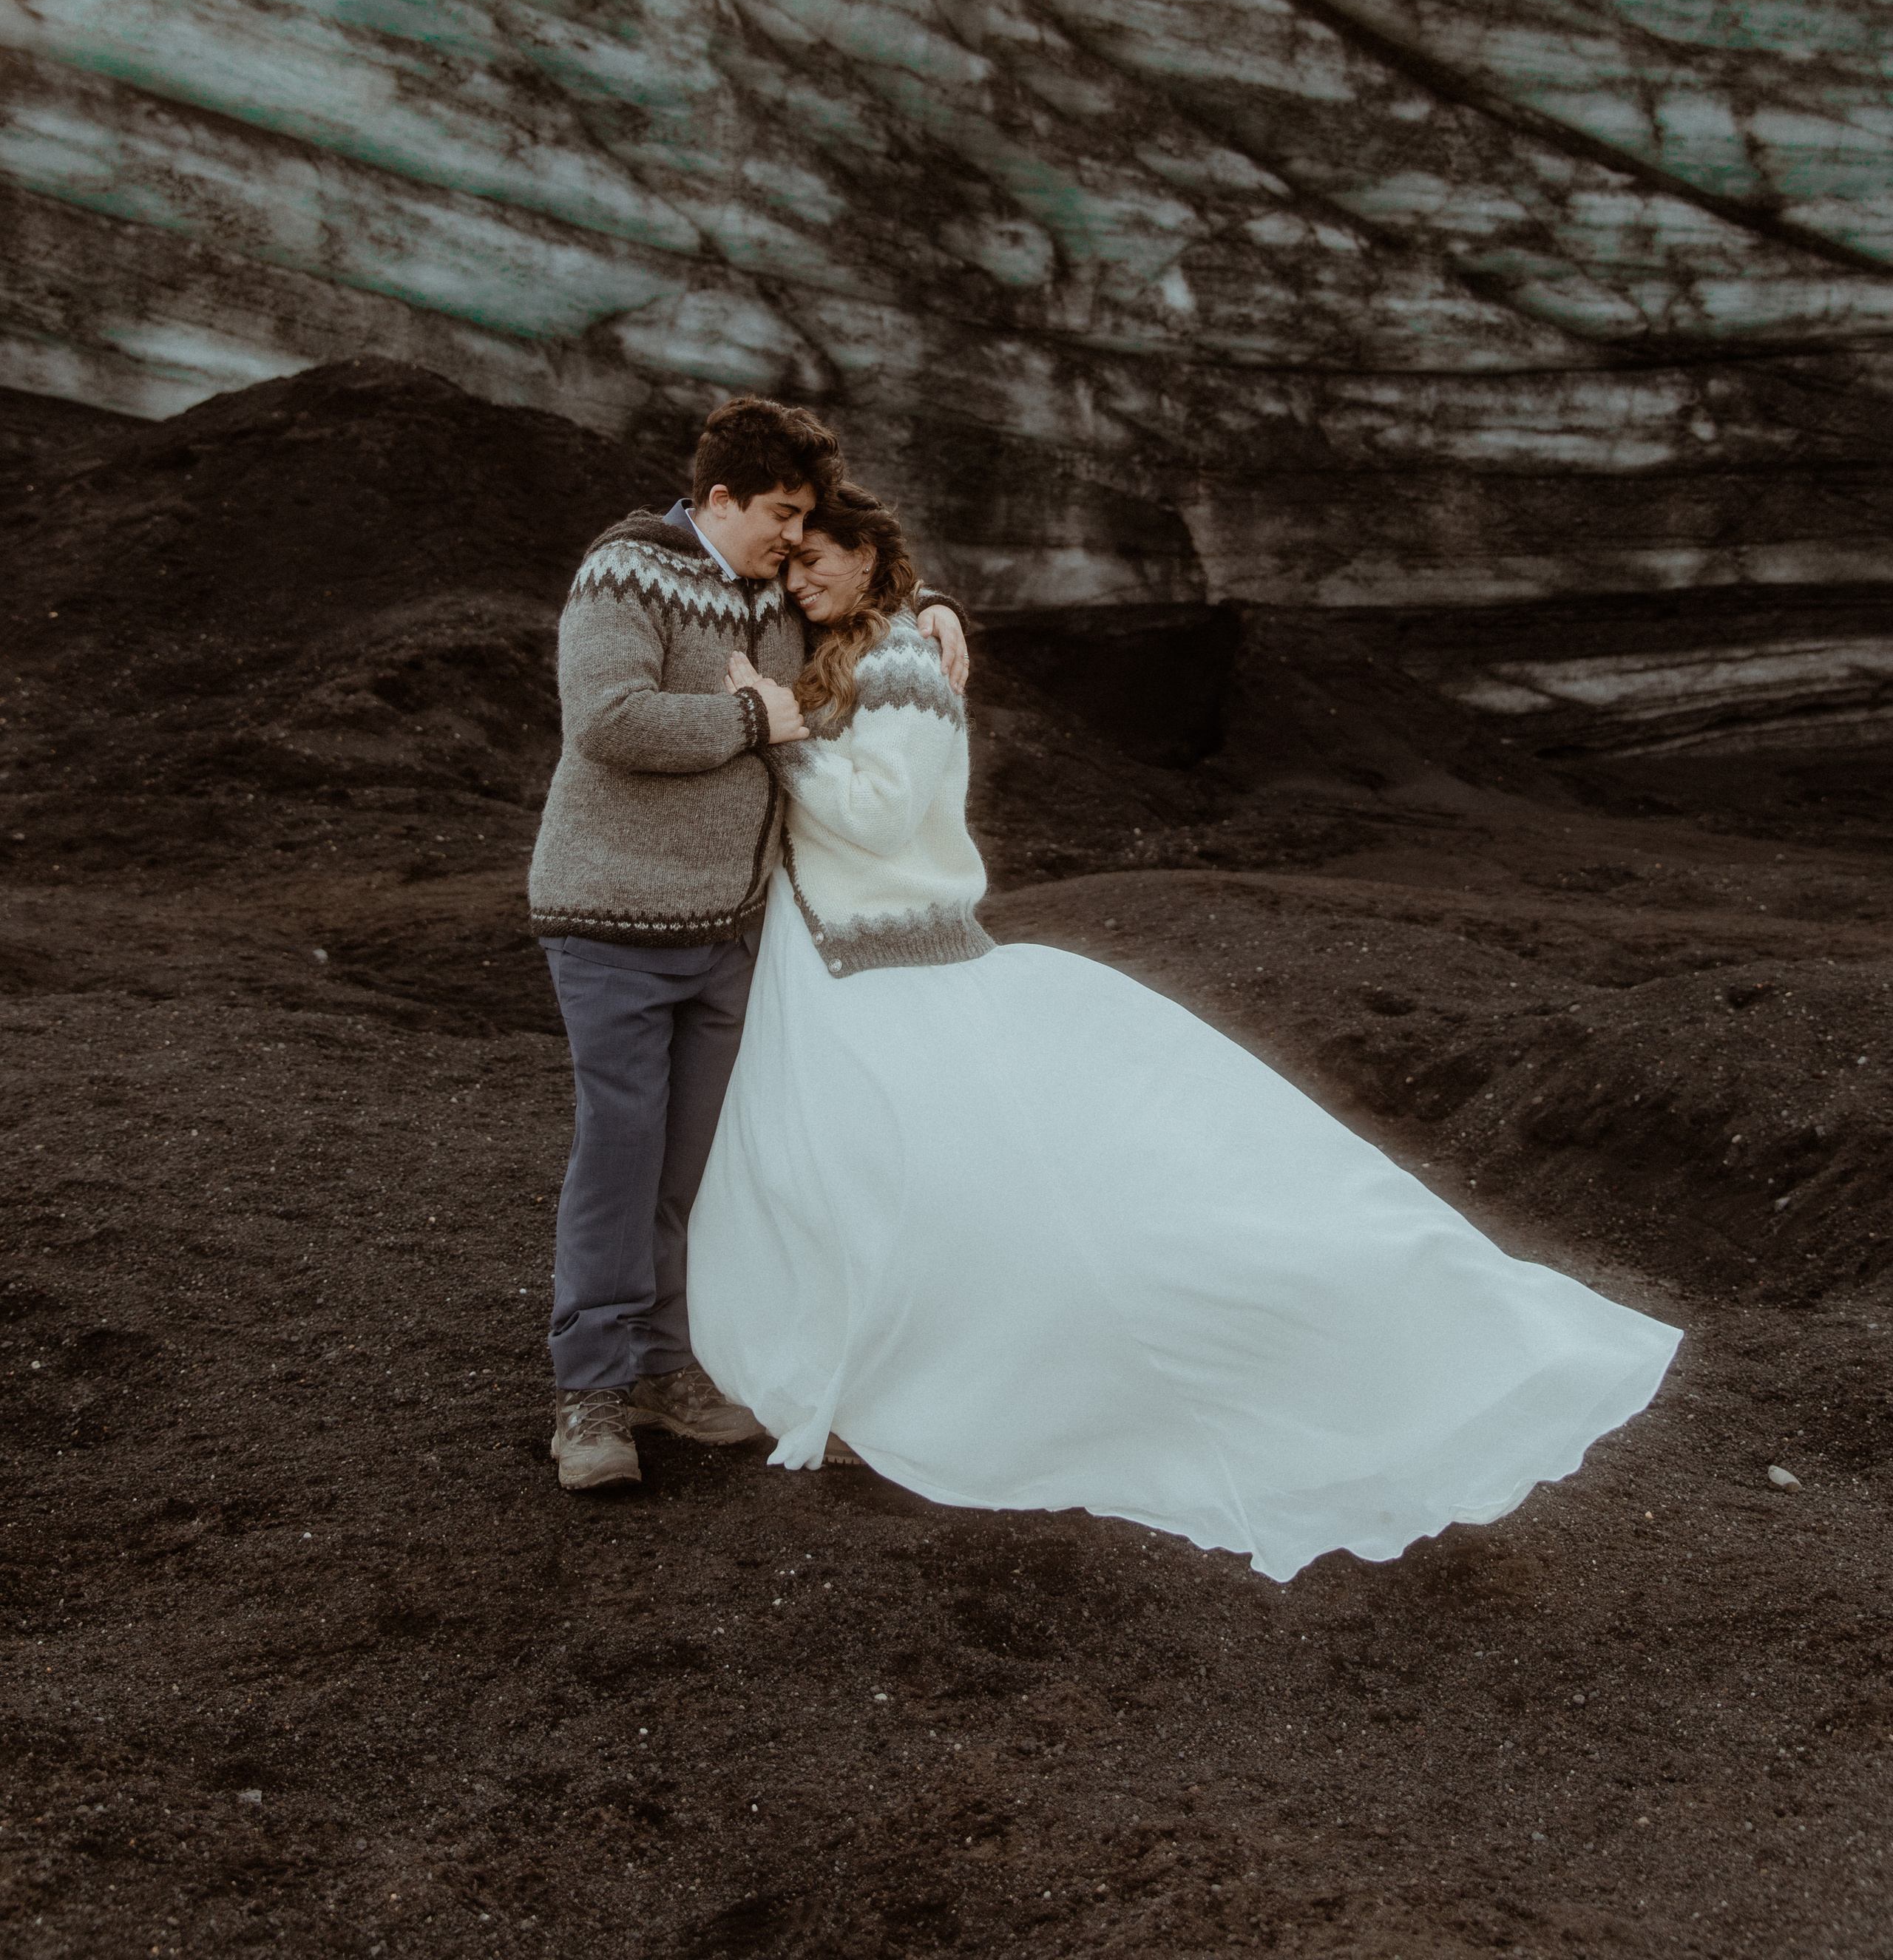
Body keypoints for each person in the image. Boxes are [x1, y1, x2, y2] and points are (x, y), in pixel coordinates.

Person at [688, 481, 1682, 1582]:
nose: (796, 580)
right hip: (834, 961)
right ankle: (872, 1356)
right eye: (787, 566)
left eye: (816, 560)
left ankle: (1320, 1327)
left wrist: (782, 737)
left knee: (992, 1187)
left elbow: (877, 816)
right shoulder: (847, 639)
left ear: (870, 562)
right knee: (846, 1172)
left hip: (896, 958)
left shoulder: (909, 668)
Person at [526, 399, 969, 1491]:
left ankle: (666, 1368)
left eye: (803, 515)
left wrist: (937, 605)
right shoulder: (626, 574)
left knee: (693, 1168)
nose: (792, 534)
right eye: (780, 511)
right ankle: (590, 1394)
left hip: (729, 932)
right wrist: (755, 723)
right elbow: (610, 718)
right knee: (621, 1153)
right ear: (719, 498)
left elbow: (858, 588)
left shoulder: (771, 587)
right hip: (614, 920)